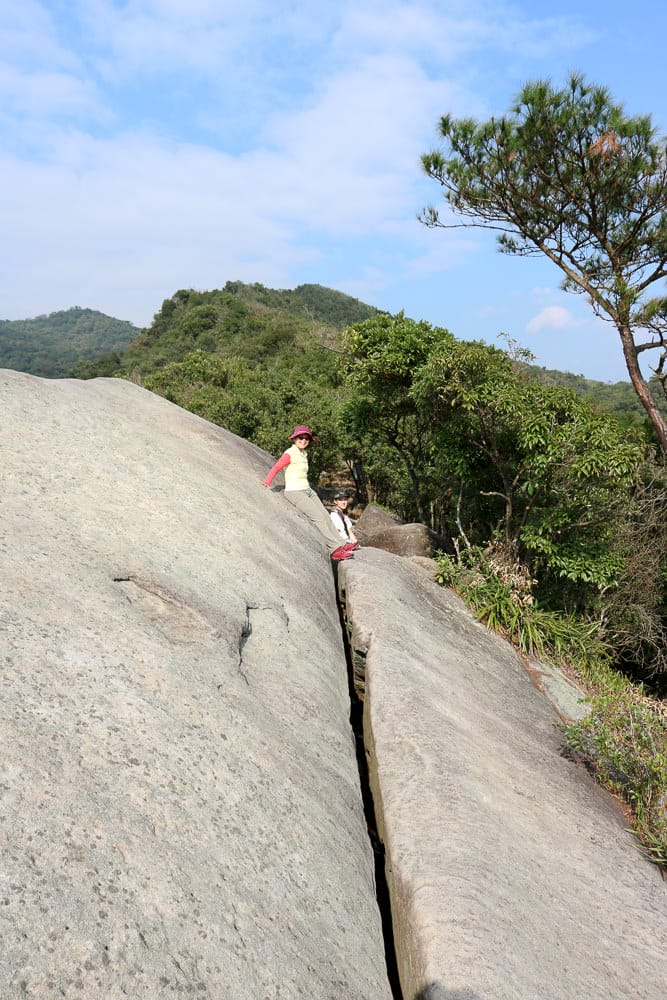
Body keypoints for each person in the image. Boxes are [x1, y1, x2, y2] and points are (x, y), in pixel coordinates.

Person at [262, 425, 355, 562]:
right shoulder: (290, 453)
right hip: (295, 492)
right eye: (301, 438)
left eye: (307, 439)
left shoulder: (304, 453)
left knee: (325, 515)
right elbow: (277, 467)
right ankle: (334, 550)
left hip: (307, 490)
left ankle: (342, 544)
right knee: (318, 518)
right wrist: (267, 482)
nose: (304, 441)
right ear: (294, 439)